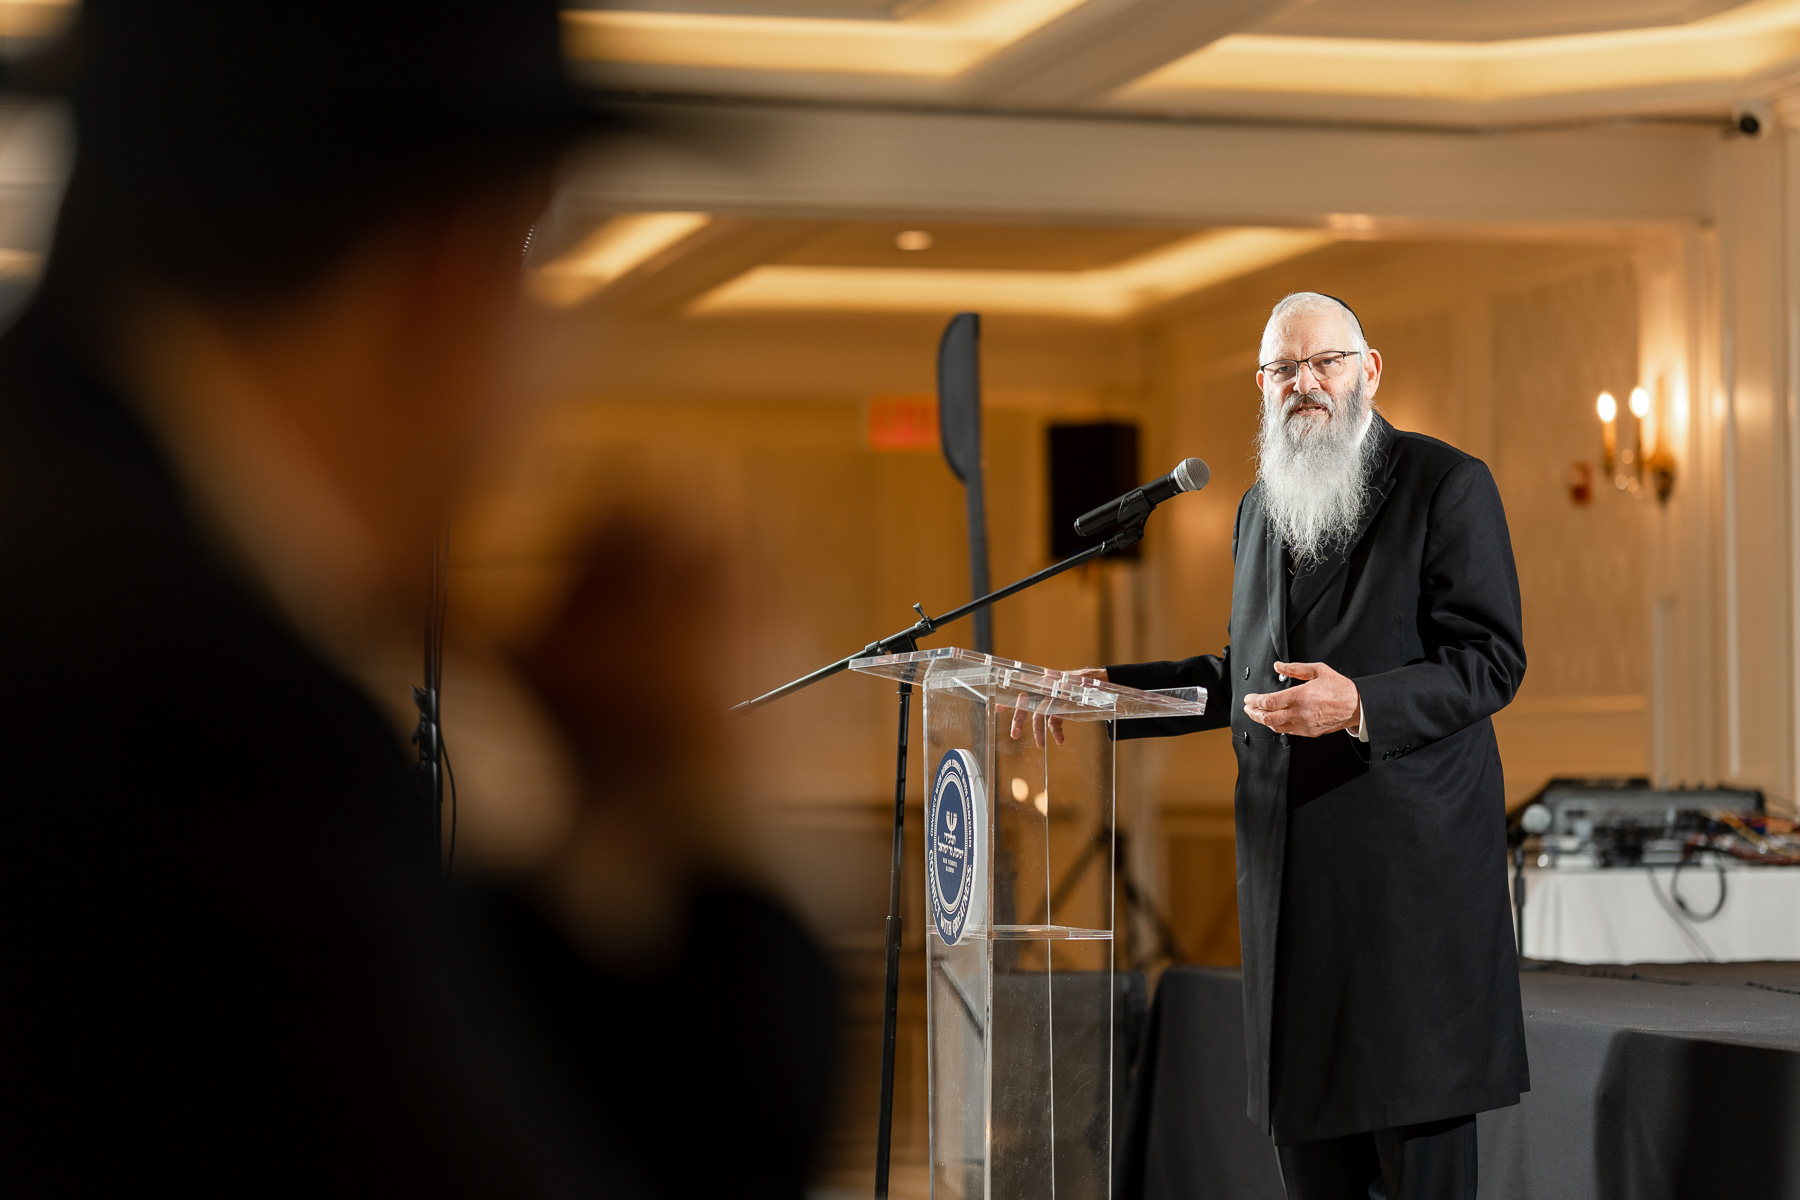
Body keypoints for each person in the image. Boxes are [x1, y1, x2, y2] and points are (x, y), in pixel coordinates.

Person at [0, 2, 835, 1193]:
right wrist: (698, 812)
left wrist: (599, 817)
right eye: (534, 267)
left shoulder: (86, 571)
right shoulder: (198, 717)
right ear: (451, 266)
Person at [1019, 292, 1527, 1200]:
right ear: (1262, 386)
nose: (1306, 383)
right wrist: (1108, 693)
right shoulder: (1259, 507)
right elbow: (1248, 677)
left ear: (1369, 371)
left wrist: (1360, 702)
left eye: (1325, 361)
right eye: (1284, 369)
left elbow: (1490, 660)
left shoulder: (1445, 482)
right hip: (1291, 900)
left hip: (1407, 907)